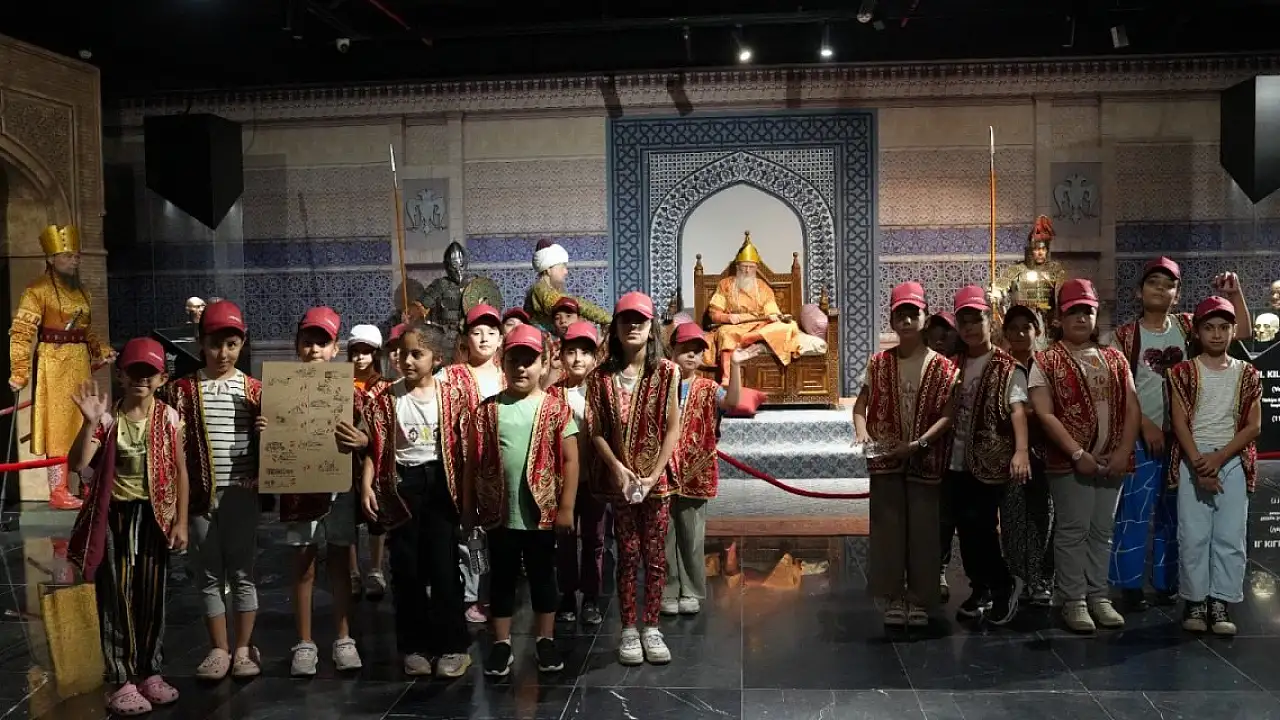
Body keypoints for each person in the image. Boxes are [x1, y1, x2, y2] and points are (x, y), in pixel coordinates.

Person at [1107, 258, 1250, 611]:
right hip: (1141, 437)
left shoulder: (1188, 326)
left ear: (1178, 294)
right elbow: (1119, 388)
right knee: (1135, 511)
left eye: (1168, 284)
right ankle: (1129, 586)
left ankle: (1167, 582)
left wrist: (1235, 295)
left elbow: (1241, 332)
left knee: (1175, 514)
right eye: (1153, 282)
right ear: (1138, 292)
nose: (1161, 289)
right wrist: (1145, 424)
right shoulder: (1124, 336)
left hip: (1184, 440)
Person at [66, 338, 188, 716]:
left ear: (162, 378)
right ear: (120, 375)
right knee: (116, 597)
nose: (141, 379)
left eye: (149, 373)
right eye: (134, 371)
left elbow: (180, 471)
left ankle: (150, 670)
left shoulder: (169, 418)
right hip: (115, 517)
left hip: (155, 517)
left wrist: (181, 520)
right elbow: (77, 463)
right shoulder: (108, 420)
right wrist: (89, 423)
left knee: (152, 596)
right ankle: (120, 678)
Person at [156, 300, 266, 678]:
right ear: (200, 343)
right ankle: (219, 648)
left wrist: (265, 437)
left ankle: (243, 648)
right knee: (207, 575)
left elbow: (274, 448)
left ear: (242, 343)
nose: (223, 353)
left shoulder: (255, 391)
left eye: (231, 345)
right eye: (215, 344)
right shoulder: (180, 391)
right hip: (199, 497)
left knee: (243, 572)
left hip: (241, 494)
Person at [359, 322, 472, 678]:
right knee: (406, 568)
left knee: (444, 566)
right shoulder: (385, 398)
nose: (406, 360)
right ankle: (414, 646)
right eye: (402, 353)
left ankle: (453, 646)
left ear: (436, 359)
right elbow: (374, 448)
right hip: (401, 486)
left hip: (440, 484)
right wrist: (366, 485)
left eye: (416, 354)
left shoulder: (452, 396)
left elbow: (467, 448)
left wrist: (469, 497)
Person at [465, 324, 580, 676]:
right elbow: (472, 463)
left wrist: (566, 507)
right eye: (514, 360)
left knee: (544, 576)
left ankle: (545, 639)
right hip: (500, 514)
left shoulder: (556, 410)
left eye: (529, 361)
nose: (521, 368)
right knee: (501, 579)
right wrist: (469, 507)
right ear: (503, 362)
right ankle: (502, 643)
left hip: (540, 515)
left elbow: (571, 460)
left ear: (543, 364)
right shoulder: (487, 411)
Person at [1028, 279, 1140, 634]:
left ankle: (1098, 595)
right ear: (1059, 318)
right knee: (1073, 529)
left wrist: (1123, 451)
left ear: (1096, 315)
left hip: (1112, 459)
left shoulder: (1115, 358)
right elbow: (1045, 413)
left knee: (1102, 530)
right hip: (1070, 461)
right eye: (1073, 311)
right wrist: (1077, 452)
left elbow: (1132, 407)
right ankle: (1073, 599)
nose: (1081, 317)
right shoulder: (1046, 361)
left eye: (1087, 311)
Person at [853, 281, 957, 628]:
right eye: (901, 315)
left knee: (924, 531)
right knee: (888, 528)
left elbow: (948, 415)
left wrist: (918, 444)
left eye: (914, 313)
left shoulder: (943, 367)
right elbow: (861, 405)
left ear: (925, 317)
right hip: (886, 456)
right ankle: (892, 596)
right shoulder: (879, 363)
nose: (907, 321)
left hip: (925, 456)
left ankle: (919, 598)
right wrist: (862, 431)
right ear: (892, 320)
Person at [586, 292, 681, 665]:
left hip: (657, 482)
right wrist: (616, 468)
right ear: (616, 327)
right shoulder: (601, 377)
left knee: (655, 556)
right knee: (627, 555)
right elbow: (596, 430)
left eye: (640, 320)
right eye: (626, 319)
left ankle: (652, 626)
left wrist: (655, 474)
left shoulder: (667, 372)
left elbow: (672, 428)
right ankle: (628, 628)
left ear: (651, 326)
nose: (633, 326)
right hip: (622, 481)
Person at [274, 307, 364, 677]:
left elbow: (368, 432)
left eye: (322, 343)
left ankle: (344, 639)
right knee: (303, 566)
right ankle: (305, 642)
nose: (314, 350)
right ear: (297, 346)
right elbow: (272, 436)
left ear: (335, 348)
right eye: (308, 342)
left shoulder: (350, 393)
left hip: (339, 489)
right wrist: (266, 428)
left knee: (341, 565)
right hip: (298, 490)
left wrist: (362, 439)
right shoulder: (280, 391)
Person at [1168, 296, 1262, 636]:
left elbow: (1254, 426)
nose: (1217, 334)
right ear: (1197, 332)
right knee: (1193, 535)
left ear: (1234, 330)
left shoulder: (1247, 373)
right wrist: (1199, 464)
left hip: (1232, 459)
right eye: (1209, 328)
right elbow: (1179, 423)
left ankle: (1221, 601)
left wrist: (1219, 459)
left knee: (1230, 536)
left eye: (1224, 327)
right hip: (1193, 458)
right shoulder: (1182, 372)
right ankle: (1195, 601)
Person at [9, 224, 117, 510]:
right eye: (68, 255)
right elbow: (21, 332)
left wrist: (101, 350)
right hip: (53, 363)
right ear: (51, 258)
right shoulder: (37, 290)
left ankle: (85, 479)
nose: (74, 260)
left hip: (79, 361)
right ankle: (57, 490)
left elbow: (87, 331)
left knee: (85, 420)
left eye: (77, 255)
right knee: (57, 425)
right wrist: (19, 371)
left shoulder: (82, 292)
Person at [944, 286, 1031, 625]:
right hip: (954, 458)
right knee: (964, 528)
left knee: (981, 525)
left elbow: (1018, 410)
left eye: (976, 320)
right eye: (963, 322)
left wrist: (1021, 451)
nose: (970, 328)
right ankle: (979, 588)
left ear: (989, 321)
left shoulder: (1006, 366)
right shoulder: (953, 364)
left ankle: (1003, 584)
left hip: (990, 459)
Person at [662, 322, 744, 616]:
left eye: (697, 351)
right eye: (685, 349)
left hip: (695, 469)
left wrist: (735, 366)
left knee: (692, 535)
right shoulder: (659, 386)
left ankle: (692, 590)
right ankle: (668, 589)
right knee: (665, 534)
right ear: (672, 351)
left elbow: (732, 402)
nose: (691, 355)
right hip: (662, 469)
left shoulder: (709, 388)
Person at [440, 304, 506, 624]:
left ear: (501, 338)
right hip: (464, 466)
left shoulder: (507, 375)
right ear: (466, 338)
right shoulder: (451, 375)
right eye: (477, 332)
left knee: (499, 535)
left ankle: (495, 592)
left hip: (500, 468)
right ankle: (475, 593)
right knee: (471, 536)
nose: (484, 339)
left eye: (491, 332)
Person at [550, 321, 607, 626]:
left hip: (595, 479)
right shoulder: (552, 394)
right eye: (571, 352)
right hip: (563, 482)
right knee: (565, 540)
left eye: (584, 353)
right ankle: (568, 595)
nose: (577, 359)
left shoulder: (603, 392)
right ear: (561, 356)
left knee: (595, 538)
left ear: (595, 357)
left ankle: (592, 597)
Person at [999, 305, 1055, 605]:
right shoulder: (1000, 367)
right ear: (1005, 333)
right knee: (1012, 517)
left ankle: (1041, 577)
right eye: (1014, 328)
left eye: (1026, 328)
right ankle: (1017, 576)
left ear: (1038, 331)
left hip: (1046, 451)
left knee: (1042, 515)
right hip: (1008, 451)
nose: (1020, 333)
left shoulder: (1048, 366)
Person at [705, 232, 811, 381]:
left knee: (790, 326)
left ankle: (748, 339)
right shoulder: (725, 285)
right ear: (737, 267)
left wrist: (773, 315)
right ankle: (727, 379)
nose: (747, 271)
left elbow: (771, 308)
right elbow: (714, 313)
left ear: (755, 268)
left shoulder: (762, 286)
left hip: (759, 325)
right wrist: (728, 318)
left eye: (751, 267)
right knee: (725, 334)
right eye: (744, 267)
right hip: (734, 327)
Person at [345, 325, 390, 601]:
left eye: (366, 352)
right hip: (345, 458)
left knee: (376, 515)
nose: (360, 357)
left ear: (375, 354)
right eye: (356, 352)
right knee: (346, 516)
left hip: (375, 458)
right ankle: (352, 571)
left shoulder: (385, 387)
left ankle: (376, 568)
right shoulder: (338, 384)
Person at [927, 310, 959, 599]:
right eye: (934, 332)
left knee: (949, 517)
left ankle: (939, 569)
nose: (940, 338)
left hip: (959, 455)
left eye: (946, 332)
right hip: (926, 452)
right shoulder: (922, 364)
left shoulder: (965, 365)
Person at [524, 239, 611, 331]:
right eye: (562, 267)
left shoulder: (544, 289)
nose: (566, 272)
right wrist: (607, 319)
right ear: (549, 270)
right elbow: (571, 303)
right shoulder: (540, 289)